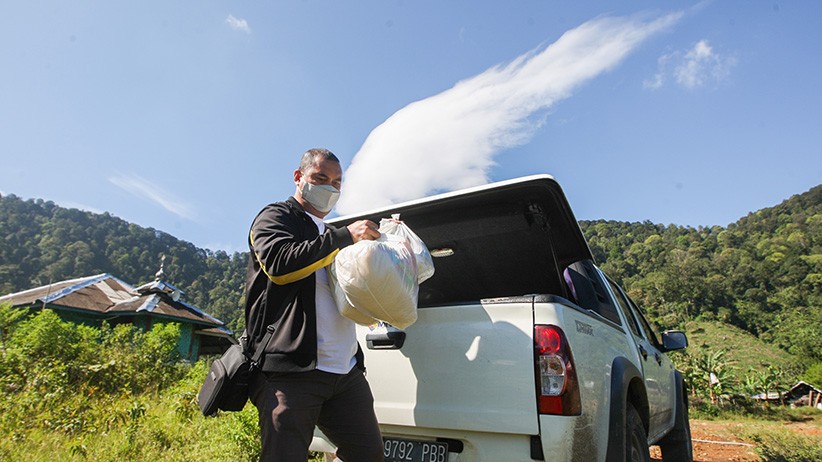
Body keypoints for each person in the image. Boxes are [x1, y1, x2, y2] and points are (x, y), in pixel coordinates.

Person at [245, 148, 384, 462]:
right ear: (299, 177)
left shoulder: (331, 234)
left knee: (368, 454)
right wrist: (344, 237)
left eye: (336, 182)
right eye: (320, 178)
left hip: (345, 373)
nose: (329, 188)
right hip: (292, 373)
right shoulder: (276, 216)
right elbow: (279, 265)